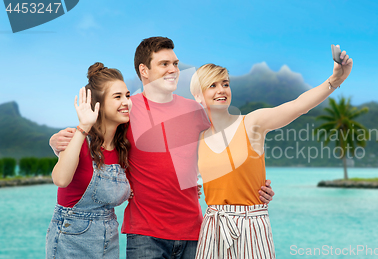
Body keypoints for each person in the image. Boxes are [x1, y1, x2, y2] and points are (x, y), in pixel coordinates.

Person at [49, 36, 275, 259]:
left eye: (175, 64)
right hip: (144, 235)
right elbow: (97, 138)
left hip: (194, 232)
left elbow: (227, 147)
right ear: (144, 71)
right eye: (164, 64)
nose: (173, 69)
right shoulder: (125, 111)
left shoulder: (196, 112)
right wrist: (56, 141)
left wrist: (254, 188)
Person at [190, 45, 353, 258]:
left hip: (252, 225)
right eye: (212, 85)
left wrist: (335, 80)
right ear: (198, 96)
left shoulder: (252, 123)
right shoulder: (196, 139)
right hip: (214, 227)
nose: (221, 90)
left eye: (225, 84)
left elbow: (298, 105)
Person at [46, 62, 132, 258]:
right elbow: (60, 179)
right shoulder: (80, 140)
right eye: (117, 97)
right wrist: (83, 126)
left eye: (127, 95)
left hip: (108, 239)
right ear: (98, 105)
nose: (126, 102)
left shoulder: (123, 147)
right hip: (70, 238)